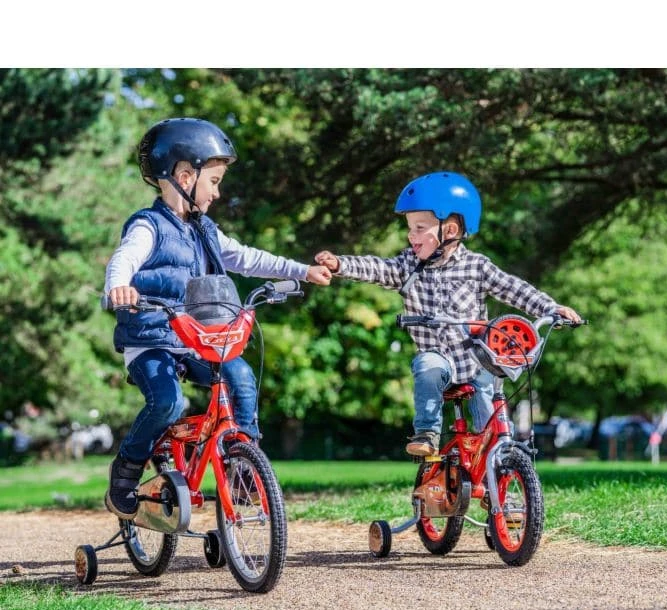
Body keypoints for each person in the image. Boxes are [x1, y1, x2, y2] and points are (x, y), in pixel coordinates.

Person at [105, 117, 332, 519]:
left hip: (197, 337)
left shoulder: (205, 230)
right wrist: (119, 286)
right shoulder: (149, 225)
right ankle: (125, 472)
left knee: (241, 376)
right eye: (214, 181)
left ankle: (241, 463)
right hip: (152, 338)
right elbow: (125, 258)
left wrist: (300, 270)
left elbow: (245, 257)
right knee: (167, 402)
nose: (218, 191)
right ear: (184, 176)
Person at [315, 171, 582, 457]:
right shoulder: (408, 265)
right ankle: (427, 433)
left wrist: (549, 308)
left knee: (488, 402)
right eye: (409, 228)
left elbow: (514, 289)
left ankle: (497, 457)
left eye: (419, 228)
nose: (410, 236)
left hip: (477, 358)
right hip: (437, 356)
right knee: (427, 367)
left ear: (450, 231)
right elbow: (377, 268)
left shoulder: (476, 266)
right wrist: (341, 264)